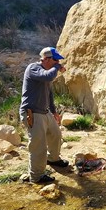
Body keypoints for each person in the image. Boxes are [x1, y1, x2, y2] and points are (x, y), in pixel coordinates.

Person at [20, 47, 69, 183]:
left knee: (55, 134)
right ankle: (36, 176)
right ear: (46, 59)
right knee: (38, 146)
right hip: (32, 113)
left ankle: (53, 159)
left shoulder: (46, 72)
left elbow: (49, 94)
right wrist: (58, 67)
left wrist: (54, 112)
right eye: (55, 60)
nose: (57, 62)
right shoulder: (33, 68)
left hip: (44, 111)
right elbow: (48, 76)